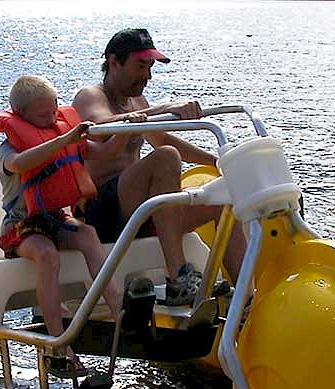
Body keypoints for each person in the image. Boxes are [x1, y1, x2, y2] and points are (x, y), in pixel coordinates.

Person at [72, 28, 246, 305]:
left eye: (150, 67)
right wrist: (164, 108)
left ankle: (245, 297)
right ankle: (179, 277)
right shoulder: (90, 96)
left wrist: (218, 161)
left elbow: (161, 137)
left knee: (223, 202)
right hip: (103, 213)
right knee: (165, 158)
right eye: (140, 66)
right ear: (114, 61)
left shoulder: (138, 101)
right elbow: (101, 128)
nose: (147, 76)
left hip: (140, 212)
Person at [0, 75, 125, 378]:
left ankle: (120, 312)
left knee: (88, 234)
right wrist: (63, 141)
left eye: (54, 110)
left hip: (55, 219)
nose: (52, 118)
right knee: (47, 255)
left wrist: (127, 127)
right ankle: (58, 342)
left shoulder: (63, 132)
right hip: (21, 228)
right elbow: (19, 164)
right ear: (20, 116)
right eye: (42, 116)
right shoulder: (9, 149)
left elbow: (105, 152)